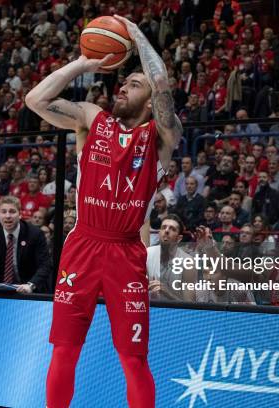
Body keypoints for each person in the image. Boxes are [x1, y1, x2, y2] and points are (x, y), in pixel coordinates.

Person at [25, 14, 182, 408]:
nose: (123, 87)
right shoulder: (92, 119)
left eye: (134, 83)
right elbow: (35, 100)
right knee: (64, 349)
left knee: (133, 358)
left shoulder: (162, 135)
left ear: (150, 99)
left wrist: (135, 36)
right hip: (82, 245)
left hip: (126, 252)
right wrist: (83, 62)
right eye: (123, 81)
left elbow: (161, 83)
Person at [146, 215, 195, 301]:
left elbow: (189, 304)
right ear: (159, 233)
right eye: (164, 227)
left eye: (172, 229)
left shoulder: (188, 262)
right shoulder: (147, 253)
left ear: (179, 238)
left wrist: (167, 292)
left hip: (175, 312)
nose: (167, 230)